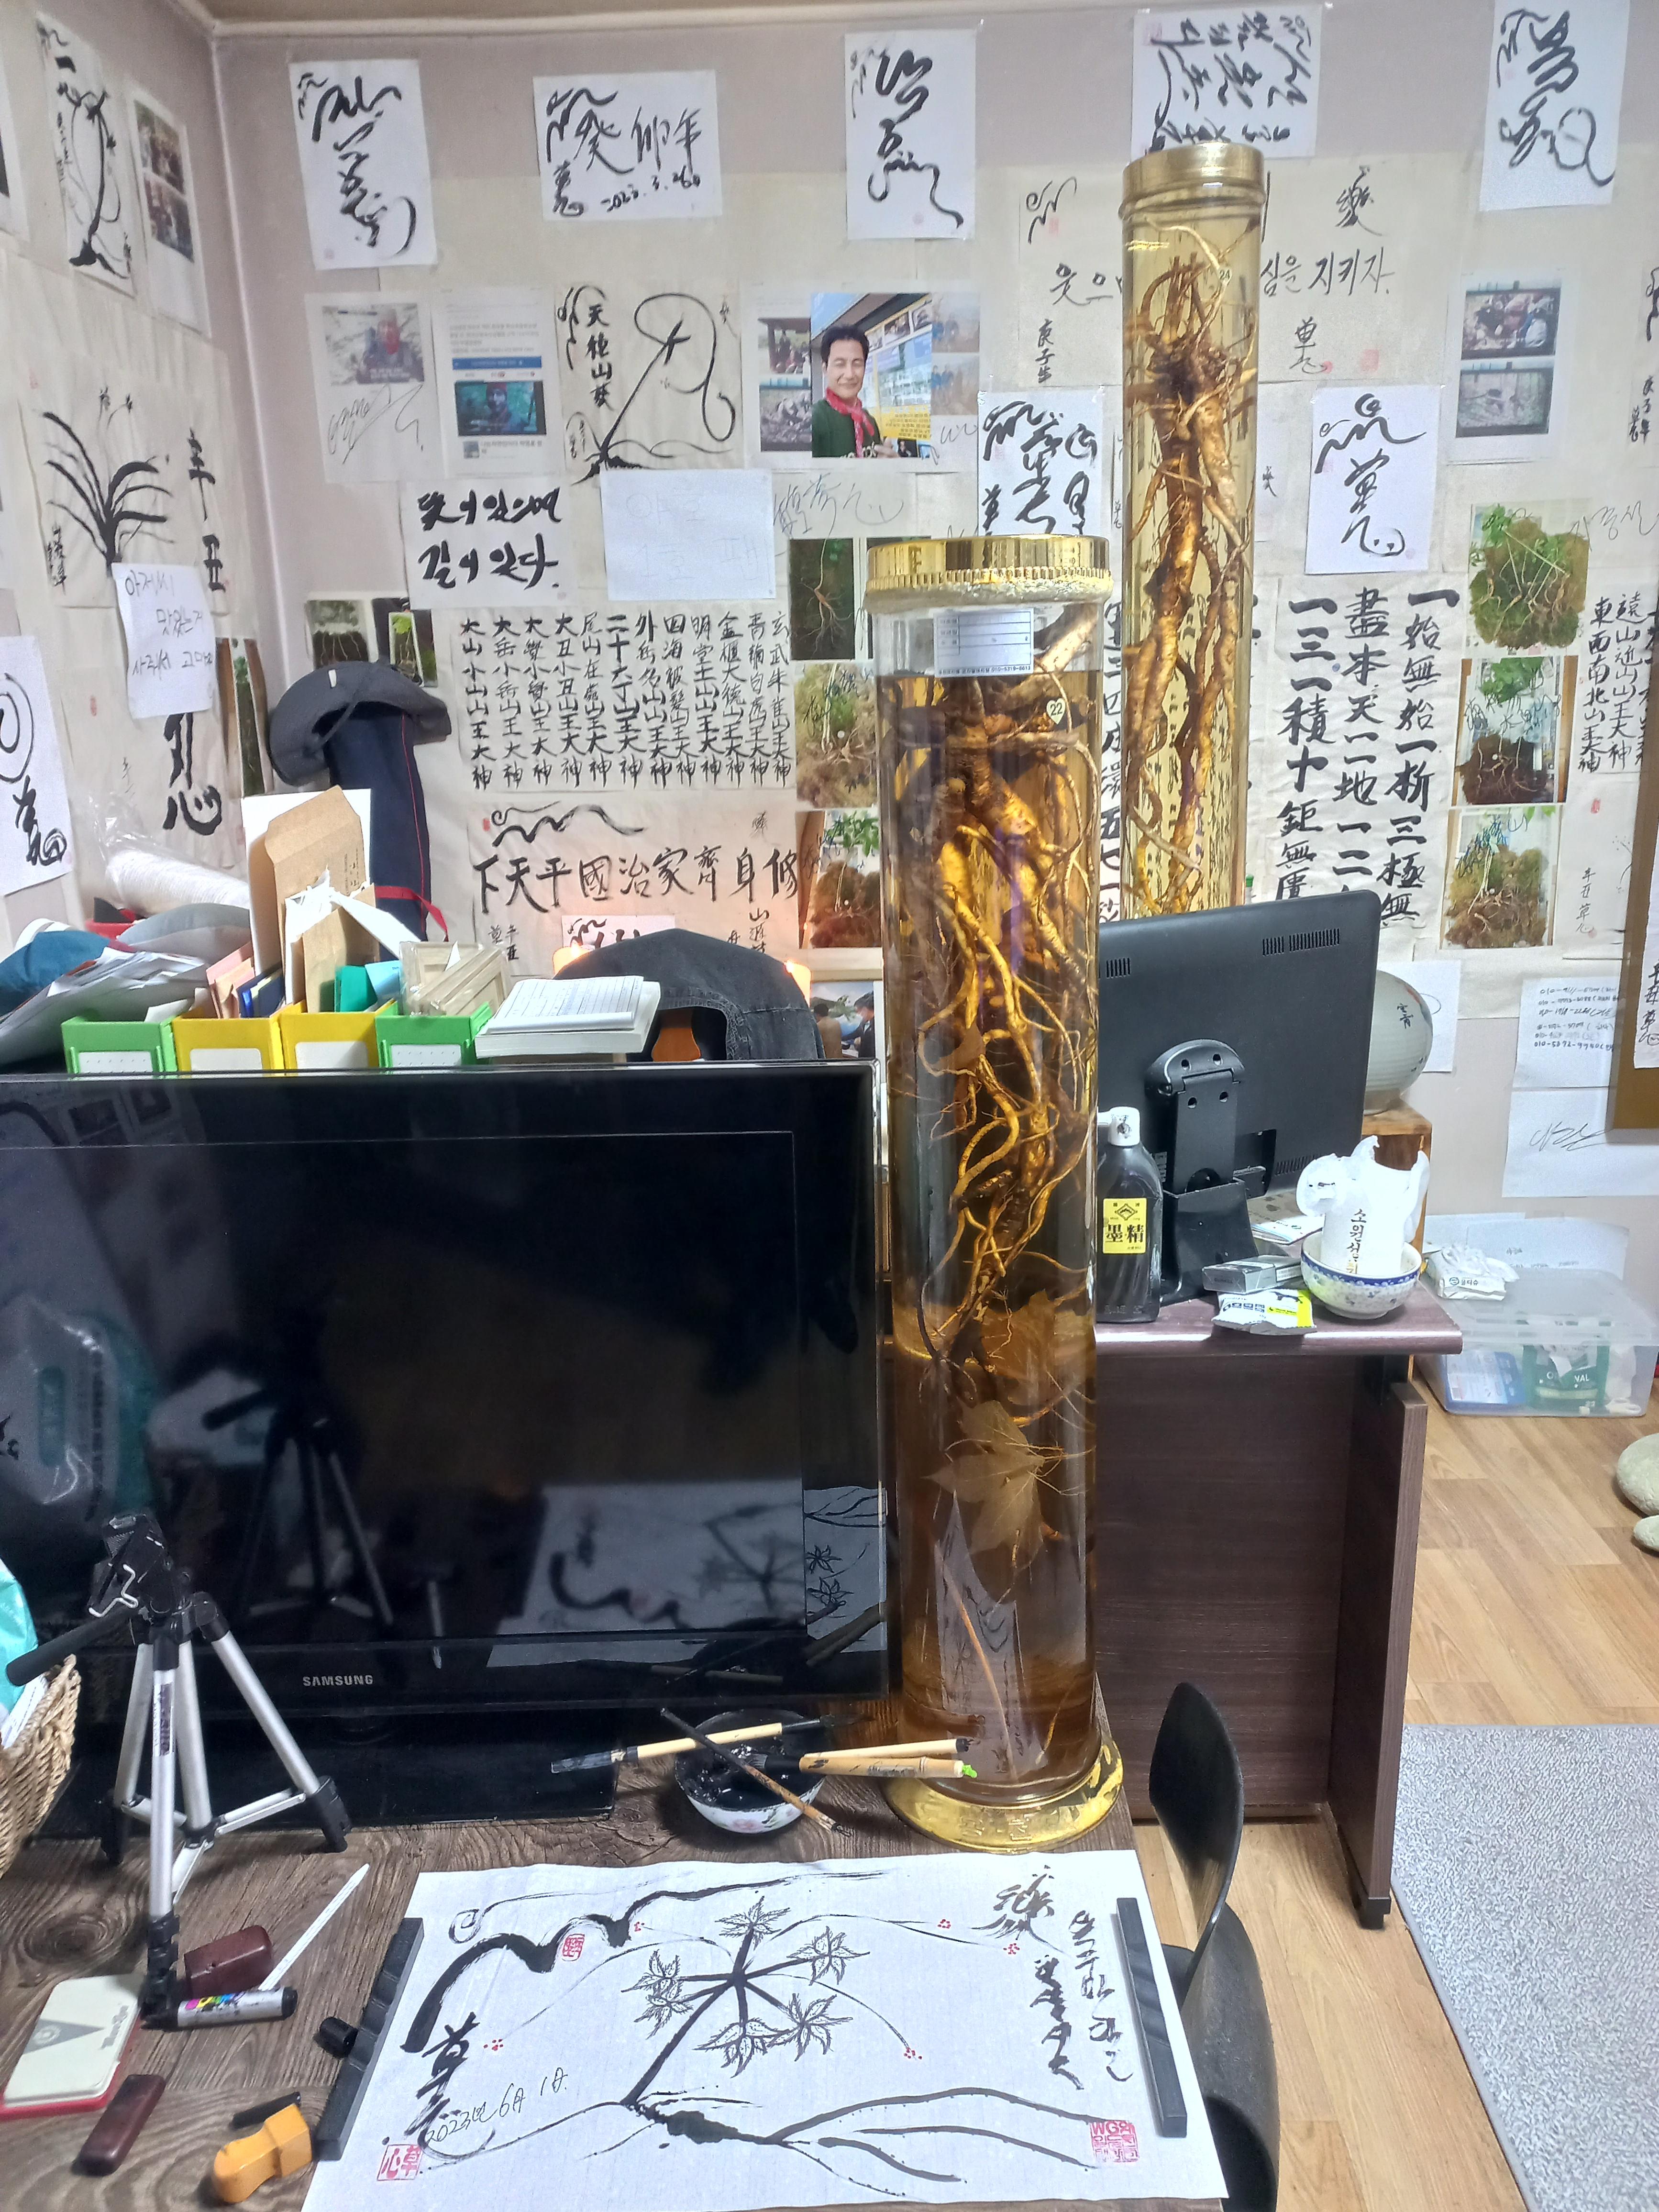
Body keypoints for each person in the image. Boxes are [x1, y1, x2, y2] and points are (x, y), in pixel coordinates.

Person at [812, 326, 888, 459]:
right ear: (825, 369)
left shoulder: (869, 421)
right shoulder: (815, 420)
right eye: (840, 364)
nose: (850, 374)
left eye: (857, 364)